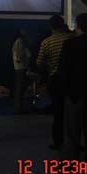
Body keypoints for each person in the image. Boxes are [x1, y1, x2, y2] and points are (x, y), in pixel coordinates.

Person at [52, 13, 87, 174]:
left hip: (74, 97)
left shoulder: (69, 45)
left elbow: (62, 71)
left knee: (72, 137)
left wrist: (65, 91)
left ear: (78, 26)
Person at [36, 15, 74, 150]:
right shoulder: (71, 39)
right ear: (63, 24)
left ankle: (58, 141)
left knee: (58, 113)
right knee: (72, 113)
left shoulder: (46, 42)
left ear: (50, 26)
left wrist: (49, 66)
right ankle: (74, 141)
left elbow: (39, 63)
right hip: (72, 80)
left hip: (55, 80)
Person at [12, 29, 30, 114]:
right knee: (20, 88)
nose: (26, 32)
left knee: (20, 88)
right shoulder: (19, 41)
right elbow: (19, 56)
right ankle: (19, 108)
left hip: (20, 67)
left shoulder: (19, 41)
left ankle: (19, 108)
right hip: (21, 68)